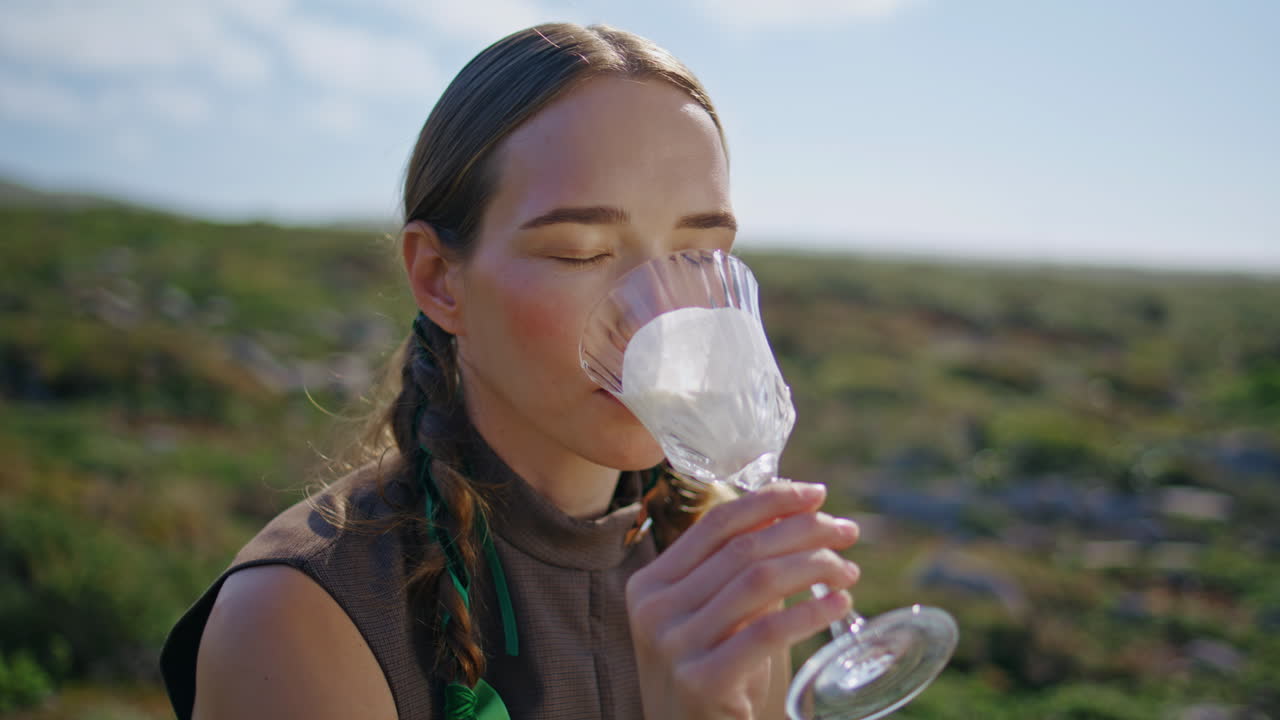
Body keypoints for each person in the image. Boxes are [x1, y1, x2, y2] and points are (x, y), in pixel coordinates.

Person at [160, 22, 861, 720]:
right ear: (440, 280)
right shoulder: (301, 615)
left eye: (700, 252)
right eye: (581, 253)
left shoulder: (723, 570)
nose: (662, 318)